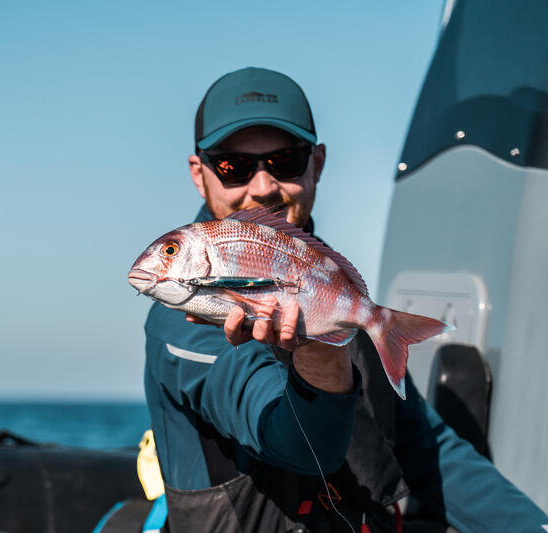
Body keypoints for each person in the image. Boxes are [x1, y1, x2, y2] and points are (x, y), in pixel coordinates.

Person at [141, 67, 548, 532]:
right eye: (232, 165)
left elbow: (425, 446)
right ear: (200, 173)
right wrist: (319, 356)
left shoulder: (330, 293)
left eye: (285, 161)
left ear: (317, 164)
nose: (262, 186)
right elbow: (297, 448)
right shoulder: (184, 316)